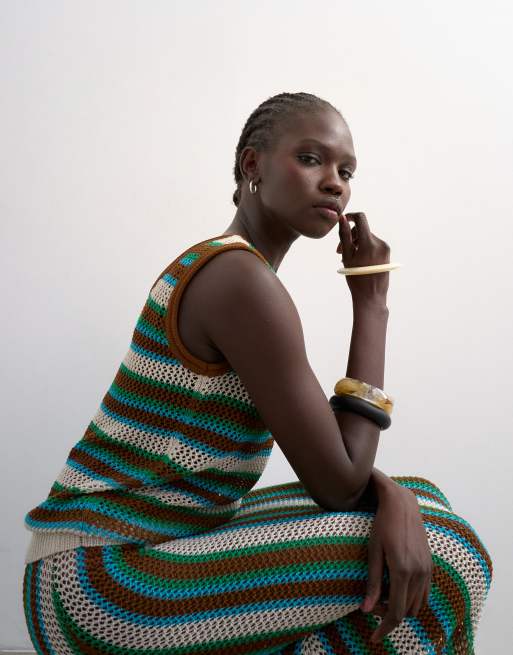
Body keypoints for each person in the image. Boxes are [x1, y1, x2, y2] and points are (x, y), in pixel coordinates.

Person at [22, 92, 492, 654]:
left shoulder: (236, 268)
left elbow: (340, 470)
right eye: (311, 159)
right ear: (253, 165)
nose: (335, 183)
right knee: (449, 551)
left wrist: (389, 490)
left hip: (154, 548)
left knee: (420, 502)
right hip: (99, 586)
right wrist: (371, 304)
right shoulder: (238, 279)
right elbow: (340, 483)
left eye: (346, 172)